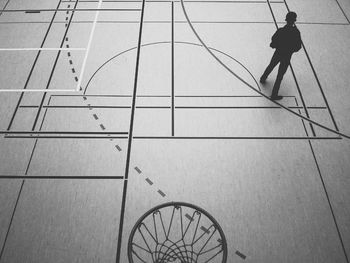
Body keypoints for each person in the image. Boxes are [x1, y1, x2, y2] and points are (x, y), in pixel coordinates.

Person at [260, 11, 302, 100]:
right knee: (280, 75)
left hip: (278, 53)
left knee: (271, 65)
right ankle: (274, 94)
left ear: (286, 20)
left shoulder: (281, 30)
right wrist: (291, 50)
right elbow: (298, 46)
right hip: (287, 56)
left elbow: (273, 40)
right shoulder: (296, 33)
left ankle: (263, 78)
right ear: (294, 20)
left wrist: (277, 45)